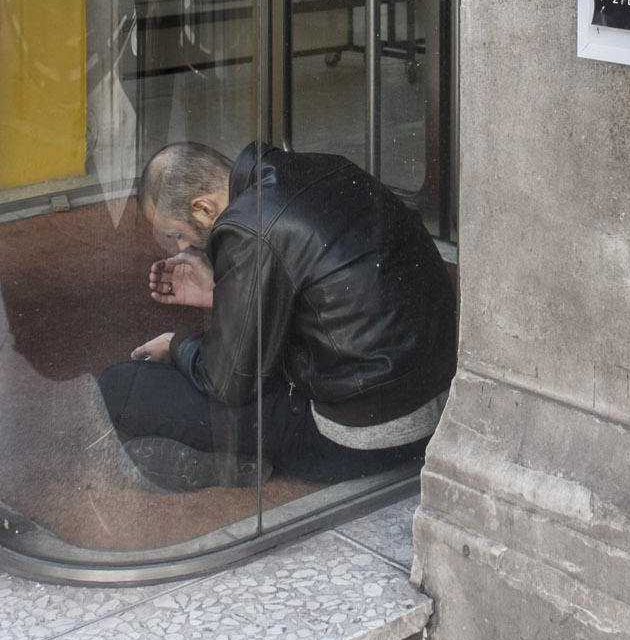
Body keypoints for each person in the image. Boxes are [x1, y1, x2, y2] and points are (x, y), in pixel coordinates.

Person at [95, 141, 458, 492]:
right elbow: (325, 295)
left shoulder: (249, 226)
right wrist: (222, 291)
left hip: (357, 441)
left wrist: (177, 344)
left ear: (204, 208)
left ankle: (231, 457)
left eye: (176, 234)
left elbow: (226, 381)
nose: (181, 248)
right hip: (436, 413)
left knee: (121, 388)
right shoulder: (320, 167)